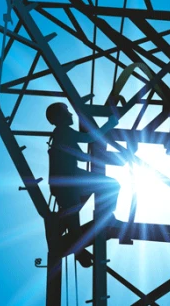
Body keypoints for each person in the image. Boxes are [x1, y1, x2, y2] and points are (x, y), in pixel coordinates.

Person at [46, 102, 121, 267]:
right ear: (58, 117)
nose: (71, 115)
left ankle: (75, 243)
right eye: (66, 112)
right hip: (69, 180)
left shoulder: (61, 134)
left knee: (73, 217)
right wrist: (109, 124)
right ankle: (104, 220)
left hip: (66, 181)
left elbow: (81, 156)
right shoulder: (64, 132)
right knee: (110, 185)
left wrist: (115, 159)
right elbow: (89, 138)